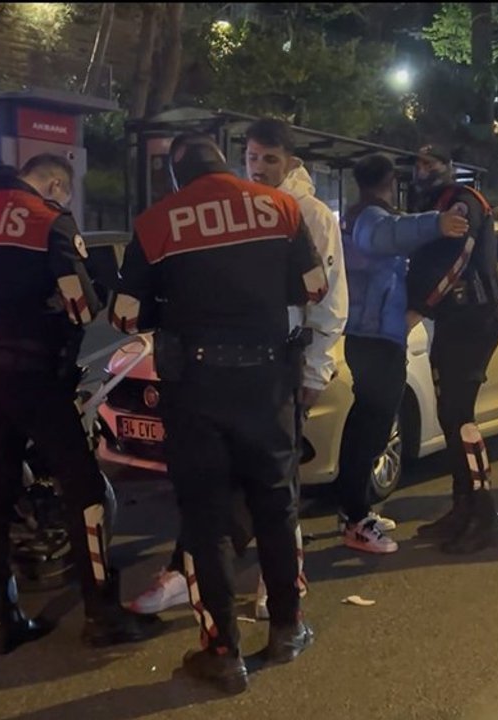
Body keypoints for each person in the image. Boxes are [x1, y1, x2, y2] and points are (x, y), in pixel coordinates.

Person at [109, 133, 324, 694]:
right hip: (266, 383)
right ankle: (287, 628)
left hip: (195, 388)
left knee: (205, 520)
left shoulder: (156, 222)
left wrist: (170, 304)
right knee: (276, 505)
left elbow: (126, 315)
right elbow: (313, 287)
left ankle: (223, 653)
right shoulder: (280, 207)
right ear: (226, 163)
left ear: (176, 175)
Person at [129, 117, 349, 615]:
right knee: (220, 486)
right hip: (223, 369)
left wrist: (316, 369)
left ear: (291, 161)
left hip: (280, 364)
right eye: (252, 157)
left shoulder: (306, 213)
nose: (259, 167)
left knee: (276, 486)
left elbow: (329, 299)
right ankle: (194, 573)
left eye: (270, 159)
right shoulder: (241, 208)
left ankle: (279, 588)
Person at [0, 154, 156, 655]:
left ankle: (0, 618)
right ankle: (101, 613)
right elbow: (82, 308)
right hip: (38, 376)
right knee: (84, 488)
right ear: (56, 184)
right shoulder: (48, 221)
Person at [335, 153, 470, 553]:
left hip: (373, 334)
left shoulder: (361, 213)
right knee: (372, 429)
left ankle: (354, 509)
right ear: (390, 181)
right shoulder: (370, 218)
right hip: (374, 337)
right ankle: (356, 521)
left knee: (368, 426)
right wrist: (437, 223)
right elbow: (387, 234)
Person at [405, 145, 498, 554]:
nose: (422, 170)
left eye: (430, 163)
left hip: (473, 317)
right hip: (454, 319)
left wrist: (420, 307)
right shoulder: (434, 204)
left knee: (460, 418)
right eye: (418, 162)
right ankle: (463, 507)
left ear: (449, 167)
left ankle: (484, 515)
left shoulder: (463, 201)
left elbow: (457, 261)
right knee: (451, 415)